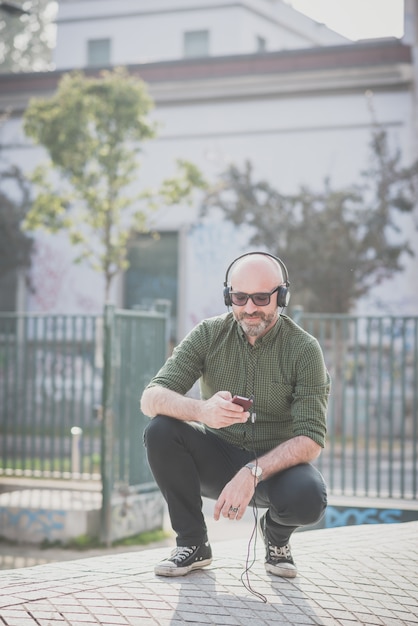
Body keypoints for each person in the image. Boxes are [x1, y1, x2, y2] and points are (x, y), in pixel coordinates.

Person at [141, 251, 330, 578]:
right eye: (239, 297)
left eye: (261, 297)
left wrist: (252, 472)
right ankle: (193, 543)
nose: (250, 308)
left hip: (274, 468)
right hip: (216, 456)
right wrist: (202, 411)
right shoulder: (208, 334)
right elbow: (151, 398)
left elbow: (311, 439)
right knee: (159, 430)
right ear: (228, 296)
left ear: (281, 296)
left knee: (309, 498)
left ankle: (276, 536)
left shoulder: (304, 349)